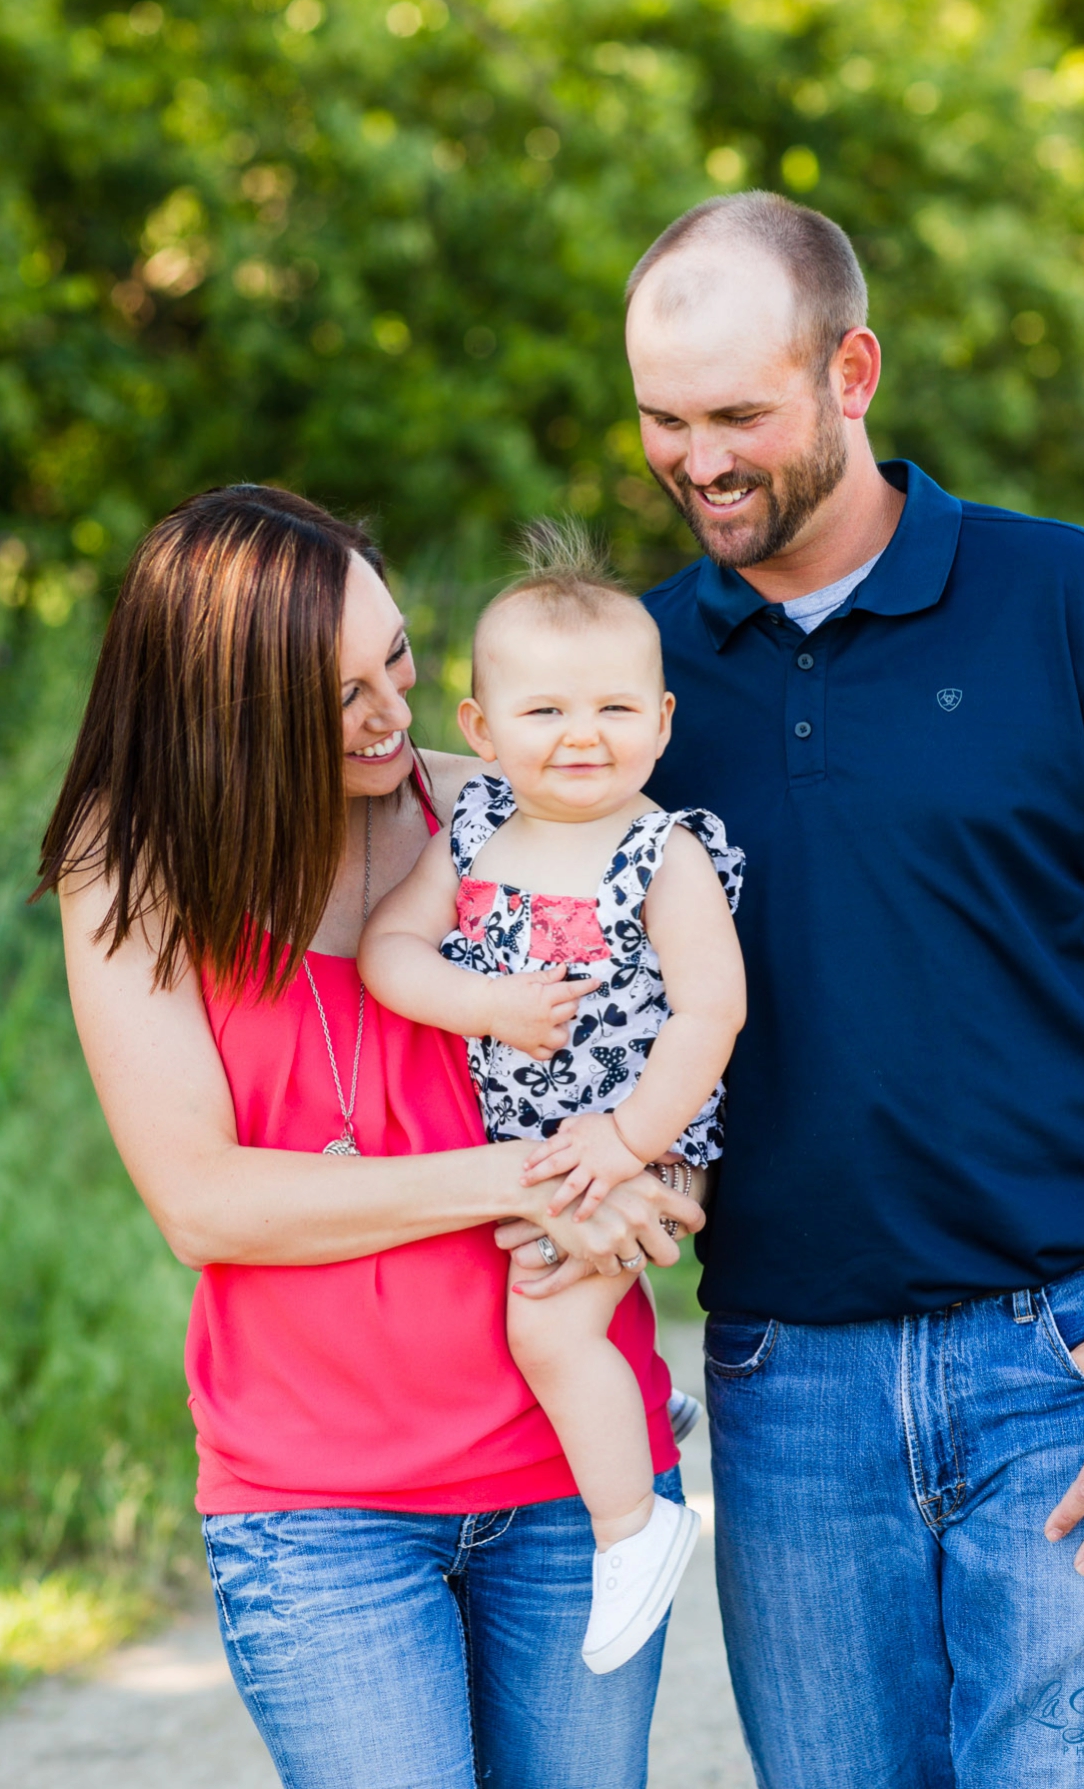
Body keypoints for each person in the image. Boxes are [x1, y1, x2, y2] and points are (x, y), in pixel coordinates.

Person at [626, 191, 1084, 1788]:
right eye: (659, 417)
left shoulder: (1068, 604)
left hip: (1078, 1371)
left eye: (736, 414)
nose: (696, 458)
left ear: (851, 374)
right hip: (787, 1391)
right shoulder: (631, 683)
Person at [36, 484, 703, 1789]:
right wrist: (528, 1175)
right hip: (317, 1510)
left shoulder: (499, 821)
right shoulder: (132, 872)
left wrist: (655, 1173)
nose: (390, 713)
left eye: (395, 656)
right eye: (336, 694)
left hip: (572, 1482)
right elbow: (207, 1203)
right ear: (224, 707)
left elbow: (641, 1042)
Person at [361, 524, 746, 1675]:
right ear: (480, 732)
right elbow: (391, 950)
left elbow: (710, 1014)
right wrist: (486, 1009)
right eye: (545, 713)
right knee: (513, 1296)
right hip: (523, 1132)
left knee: (544, 1316)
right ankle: (639, 1405)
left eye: (616, 712)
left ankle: (637, 1527)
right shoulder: (474, 829)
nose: (583, 737)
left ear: (663, 722)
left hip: (636, 1131)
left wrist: (629, 1143)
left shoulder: (661, 852)